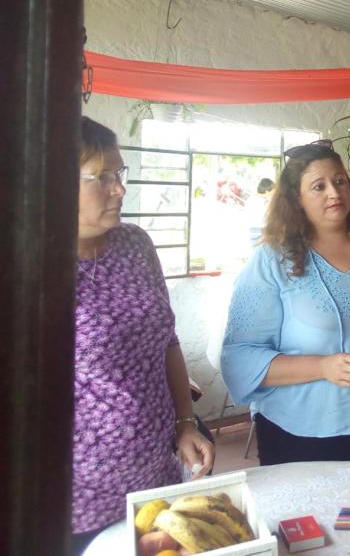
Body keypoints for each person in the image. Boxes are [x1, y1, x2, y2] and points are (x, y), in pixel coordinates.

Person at [221, 140, 350, 466]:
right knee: (302, 518)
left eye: (339, 181)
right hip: (296, 430)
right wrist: (322, 367)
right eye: (318, 187)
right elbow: (240, 357)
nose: (334, 193)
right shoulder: (272, 260)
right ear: (297, 199)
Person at [72, 117, 214, 555]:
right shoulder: (28, 266)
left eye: (120, 174)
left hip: (156, 472)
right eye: (104, 177)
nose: (119, 189)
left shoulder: (136, 245)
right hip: (78, 497)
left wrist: (184, 422)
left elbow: (167, 341)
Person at [246, 177, 274, 247]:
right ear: (267, 191)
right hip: (261, 231)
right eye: (273, 192)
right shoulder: (264, 202)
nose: (274, 194)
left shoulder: (250, 199)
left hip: (252, 231)